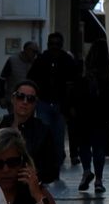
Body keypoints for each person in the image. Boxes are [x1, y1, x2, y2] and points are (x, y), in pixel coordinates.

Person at [29, 33, 81, 167]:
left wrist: (71, 104)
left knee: (58, 135)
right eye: (52, 44)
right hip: (45, 102)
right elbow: (31, 79)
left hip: (60, 104)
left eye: (57, 44)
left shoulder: (67, 60)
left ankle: (56, 160)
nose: (54, 47)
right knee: (45, 134)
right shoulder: (41, 60)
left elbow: (75, 83)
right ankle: (49, 160)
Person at [74, 39, 109, 194]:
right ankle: (98, 180)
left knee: (84, 145)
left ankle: (86, 171)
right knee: (99, 147)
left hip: (84, 113)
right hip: (102, 114)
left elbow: (75, 90)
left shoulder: (84, 70)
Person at [0, 80, 59, 185]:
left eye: (30, 99)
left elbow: (53, 170)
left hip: (26, 190)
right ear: (13, 99)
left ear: (35, 103)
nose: (25, 102)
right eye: (20, 96)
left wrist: (35, 175)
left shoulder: (43, 131)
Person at [0, 41, 40, 112]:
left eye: (36, 52)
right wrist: (2, 97)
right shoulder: (12, 61)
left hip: (30, 99)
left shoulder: (35, 63)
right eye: (34, 52)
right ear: (26, 50)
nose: (35, 55)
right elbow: (2, 79)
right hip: (14, 98)